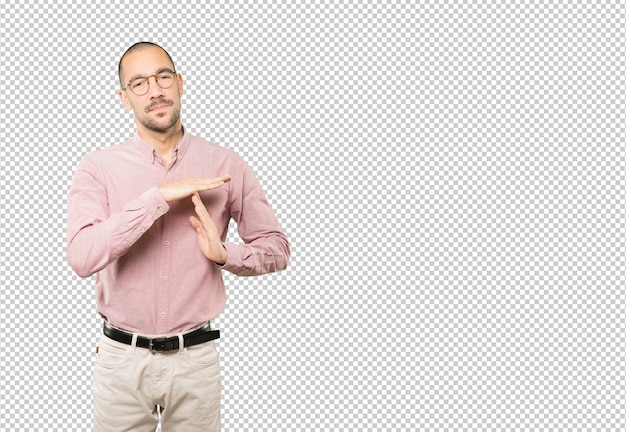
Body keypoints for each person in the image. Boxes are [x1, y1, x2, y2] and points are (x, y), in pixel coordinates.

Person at [66, 41, 290, 432]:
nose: (154, 91)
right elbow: (83, 257)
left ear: (180, 83)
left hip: (195, 363)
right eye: (139, 83)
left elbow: (277, 248)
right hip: (121, 363)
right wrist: (157, 198)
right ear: (124, 98)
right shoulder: (98, 168)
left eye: (163, 77)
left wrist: (225, 255)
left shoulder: (226, 164)